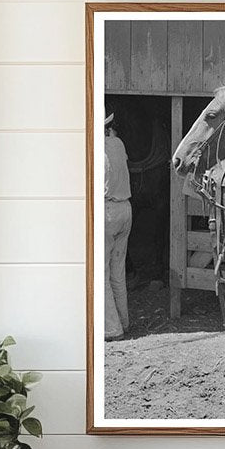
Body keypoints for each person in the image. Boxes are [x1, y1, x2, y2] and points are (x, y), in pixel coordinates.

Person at [103, 110, 133, 340]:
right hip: (126, 209)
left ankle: (112, 329)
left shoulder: (99, 148)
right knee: (117, 270)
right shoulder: (119, 144)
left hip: (108, 210)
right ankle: (124, 320)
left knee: (101, 273)